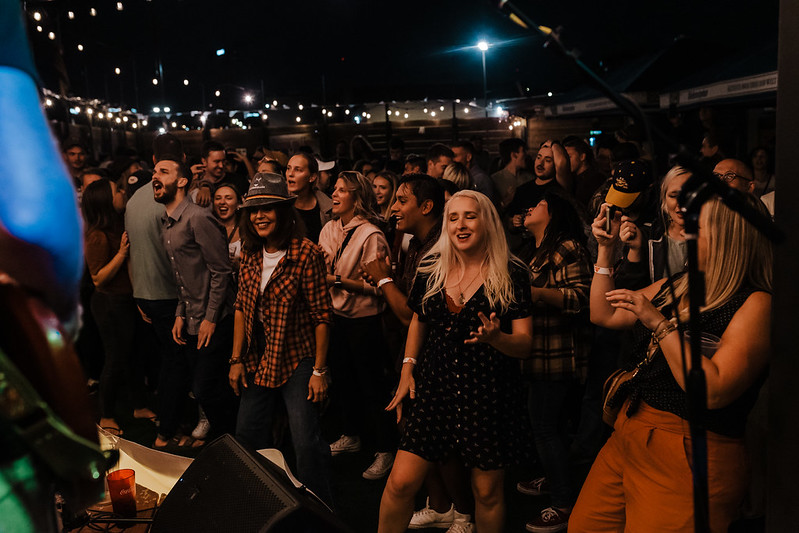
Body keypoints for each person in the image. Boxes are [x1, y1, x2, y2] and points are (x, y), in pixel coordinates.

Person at [570, 196, 773, 532]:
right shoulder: (680, 283)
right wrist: (605, 253)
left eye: (696, 227)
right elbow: (603, 313)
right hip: (632, 430)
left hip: (688, 449)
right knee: (586, 526)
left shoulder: (755, 303)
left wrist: (659, 324)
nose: (684, 233)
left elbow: (712, 390)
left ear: (728, 238)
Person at [378, 190, 534, 533]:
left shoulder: (511, 272)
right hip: (435, 385)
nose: (460, 225)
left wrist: (497, 338)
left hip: (488, 391)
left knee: (486, 491)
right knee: (401, 483)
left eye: (470, 216)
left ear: (487, 222)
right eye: (453, 218)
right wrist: (407, 369)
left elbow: (524, 345)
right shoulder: (431, 268)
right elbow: (419, 319)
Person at [229, 172, 334, 506]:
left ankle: (321, 510)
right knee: (247, 435)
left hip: (297, 357)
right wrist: (235, 359)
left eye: (268, 208)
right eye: (254, 209)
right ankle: (260, 502)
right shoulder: (248, 253)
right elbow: (241, 308)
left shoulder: (306, 254)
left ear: (285, 211)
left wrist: (319, 370)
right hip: (258, 356)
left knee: (305, 442)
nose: (260, 215)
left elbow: (322, 317)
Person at [516, 190, 592, 532]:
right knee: (552, 426)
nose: (530, 208)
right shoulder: (537, 250)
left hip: (557, 355)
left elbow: (582, 298)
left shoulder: (568, 247)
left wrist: (534, 294)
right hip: (539, 352)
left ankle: (563, 503)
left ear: (555, 213)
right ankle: (553, 477)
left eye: (539, 204)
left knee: (545, 426)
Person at [318, 171, 396, 480]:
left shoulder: (371, 235)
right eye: (334, 189)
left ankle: (386, 449)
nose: (334, 194)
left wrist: (337, 280)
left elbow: (382, 288)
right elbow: (319, 267)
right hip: (337, 317)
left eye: (341, 190)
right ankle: (352, 436)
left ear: (357, 197)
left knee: (373, 387)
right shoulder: (328, 229)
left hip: (365, 320)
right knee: (344, 382)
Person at [155, 156, 237, 445]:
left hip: (214, 319)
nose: (155, 176)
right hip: (191, 318)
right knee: (203, 387)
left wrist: (211, 318)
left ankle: (234, 441)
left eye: (163, 171)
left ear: (181, 181)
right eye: (154, 171)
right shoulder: (167, 222)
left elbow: (221, 270)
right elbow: (183, 276)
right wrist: (180, 312)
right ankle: (226, 440)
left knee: (205, 387)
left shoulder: (198, 217)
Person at [81, 179, 156, 434]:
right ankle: (107, 415)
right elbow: (98, 278)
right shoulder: (97, 236)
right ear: (105, 199)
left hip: (126, 300)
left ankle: (138, 405)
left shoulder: (116, 226)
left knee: (135, 356)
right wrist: (122, 254)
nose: (122, 192)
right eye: (117, 190)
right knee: (115, 358)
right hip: (109, 304)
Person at [615, 165, 690, 289]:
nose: (681, 203)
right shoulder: (648, 235)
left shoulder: (712, 237)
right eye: (673, 195)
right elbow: (627, 290)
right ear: (664, 199)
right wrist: (635, 250)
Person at [286, 153, 333, 244]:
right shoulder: (280, 205)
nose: (290, 174)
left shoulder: (328, 208)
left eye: (298, 170)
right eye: (288, 168)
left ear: (312, 177)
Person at [212, 183, 243, 275]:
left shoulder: (246, 231)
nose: (222, 202)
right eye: (218, 198)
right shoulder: (207, 228)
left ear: (238, 203)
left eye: (228, 198)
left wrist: (241, 266)